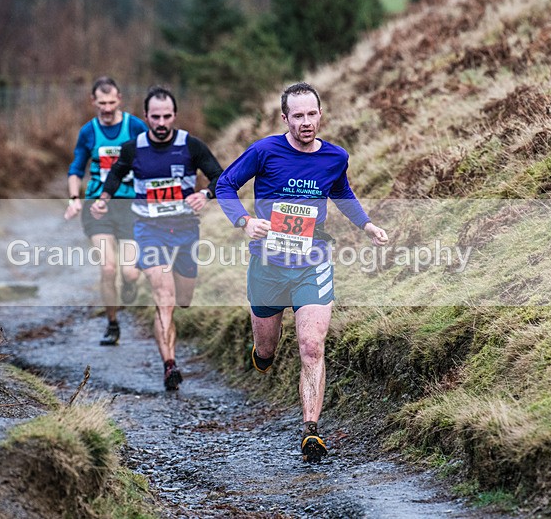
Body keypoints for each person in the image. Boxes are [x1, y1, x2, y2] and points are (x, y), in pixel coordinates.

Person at [215, 82, 389, 462]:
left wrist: (367, 225)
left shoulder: (334, 157)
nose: (306, 122)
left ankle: (311, 431)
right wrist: (244, 221)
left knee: (312, 347)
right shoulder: (265, 151)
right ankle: (261, 353)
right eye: (298, 116)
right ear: (285, 118)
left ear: (320, 114)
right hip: (268, 265)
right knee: (267, 349)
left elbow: (341, 192)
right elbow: (224, 184)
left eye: (312, 114)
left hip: (313, 263)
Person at [94, 86, 223, 391]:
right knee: (163, 299)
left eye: (167, 116)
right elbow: (115, 174)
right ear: (146, 117)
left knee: (183, 300)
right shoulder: (133, 148)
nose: (161, 122)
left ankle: (170, 353)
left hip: (185, 232)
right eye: (156, 117)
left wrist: (205, 194)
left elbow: (221, 177)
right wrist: (103, 198)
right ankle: (170, 365)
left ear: (175, 116)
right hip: (149, 231)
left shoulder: (191, 146)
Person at [65, 77, 148, 346]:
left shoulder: (134, 126)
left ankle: (131, 284)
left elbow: (151, 159)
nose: (107, 108)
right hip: (98, 207)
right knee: (108, 268)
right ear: (93, 101)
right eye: (102, 103)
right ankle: (112, 324)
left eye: (112, 102)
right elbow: (76, 168)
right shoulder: (88, 131)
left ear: (119, 99)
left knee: (130, 272)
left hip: (131, 207)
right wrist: (75, 198)